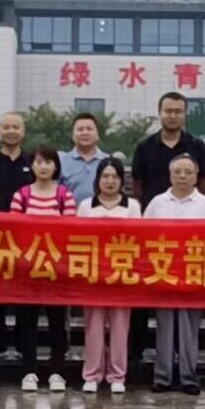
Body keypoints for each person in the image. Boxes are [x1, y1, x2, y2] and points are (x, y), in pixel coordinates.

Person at [131, 93, 205, 365]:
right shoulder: (145, 147)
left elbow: (204, 181)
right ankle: (137, 350)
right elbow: (137, 184)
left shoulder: (197, 146)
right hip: (156, 230)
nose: (173, 115)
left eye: (178, 111)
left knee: (184, 302)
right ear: (160, 113)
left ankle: (182, 354)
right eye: (168, 111)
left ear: (185, 114)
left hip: (190, 240)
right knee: (145, 295)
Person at [142, 154, 205, 395]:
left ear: (196, 176)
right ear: (170, 175)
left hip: (193, 272)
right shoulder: (157, 203)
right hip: (163, 271)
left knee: (189, 326)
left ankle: (188, 376)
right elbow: (142, 236)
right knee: (164, 324)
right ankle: (162, 376)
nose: (183, 176)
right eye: (178, 172)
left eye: (188, 172)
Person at [10, 145, 76, 392]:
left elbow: (71, 230)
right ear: (32, 166)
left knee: (57, 323)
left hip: (56, 270)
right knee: (28, 323)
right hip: (28, 269)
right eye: (39, 162)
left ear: (55, 166)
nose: (44, 166)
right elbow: (14, 230)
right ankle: (29, 371)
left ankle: (57, 372)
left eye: (48, 162)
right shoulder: (22, 195)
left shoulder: (64, 195)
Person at [77, 157, 139, 394]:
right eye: (105, 176)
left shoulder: (132, 206)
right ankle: (92, 374)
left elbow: (139, 239)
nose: (110, 181)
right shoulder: (86, 206)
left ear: (122, 180)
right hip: (93, 274)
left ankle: (117, 375)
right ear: (98, 180)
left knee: (120, 326)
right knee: (93, 326)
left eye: (115, 176)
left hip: (122, 274)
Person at [0, 111, 34, 360]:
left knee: (25, 295)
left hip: (27, 239)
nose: (11, 131)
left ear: (23, 132)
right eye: (6, 127)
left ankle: (25, 347)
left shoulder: (33, 162)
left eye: (16, 127)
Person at [59, 112, 106, 205]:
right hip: (69, 213)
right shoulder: (61, 161)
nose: (85, 133)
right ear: (72, 135)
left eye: (89, 129)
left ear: (98, 134)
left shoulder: (107, 161)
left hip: (101, 212)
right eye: (80, 129)